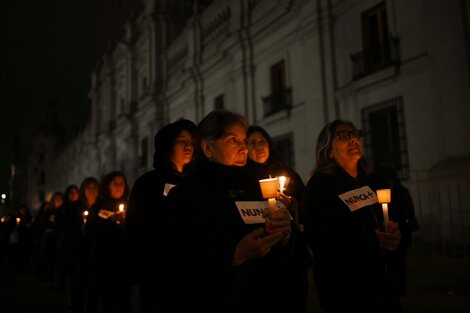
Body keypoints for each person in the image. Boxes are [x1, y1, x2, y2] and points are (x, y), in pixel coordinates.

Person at [164, 109, 296, 313]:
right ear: (207, 148)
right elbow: (178, 263)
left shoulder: (257, 188)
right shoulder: (185, 196)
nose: (244, 149)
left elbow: (279, 242)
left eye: (244, 140)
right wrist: (233, 256)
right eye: (233, 140)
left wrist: (284, 230)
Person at [302, 119, 402, 313]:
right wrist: (372, 241)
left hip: (383, 284)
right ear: (328, 150)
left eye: (355, 134)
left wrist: (396, 235)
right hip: (344, 286)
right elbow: (319, 237)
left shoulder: (375, 180)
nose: (353, 139)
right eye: (343, 135)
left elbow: (395, 216)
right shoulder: (320, 186)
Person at [125, 119, 196, 313]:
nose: (189, 145)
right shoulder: (148, 183)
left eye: (191, 141)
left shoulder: (198, 182)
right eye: (182, 140)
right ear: (167, 145)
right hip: (158, 272)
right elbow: (135, 231)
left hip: (193, 273)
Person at [245, 125, 311, 312]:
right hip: (262, 256)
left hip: (290, 254)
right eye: (253, 143)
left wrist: (292, 205)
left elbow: (305, 203)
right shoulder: (244, 178)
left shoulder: (286, 173)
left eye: (263, 141)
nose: (259, 146)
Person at [84, 171, 131, 313]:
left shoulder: (130, 206)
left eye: (121, 183)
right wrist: (111, 223)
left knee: (124, 301)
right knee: (106, 301)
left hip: (123, 262)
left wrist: (125, 225)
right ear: (107, 186)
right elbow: (90, 231)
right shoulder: (98, 207)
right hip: (102, 262)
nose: (119, 186)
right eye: (115, 183)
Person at [376, 168, 420, 311]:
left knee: (397, 261)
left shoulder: (399, 192)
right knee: (396, 261)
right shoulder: (398, 192)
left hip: (399, 231)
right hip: (394, 231)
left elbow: (407, 210)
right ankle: (397, 287)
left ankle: (397, 287)